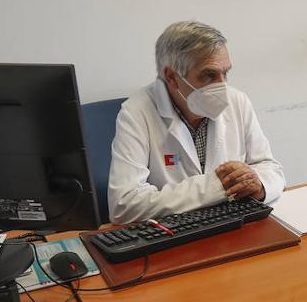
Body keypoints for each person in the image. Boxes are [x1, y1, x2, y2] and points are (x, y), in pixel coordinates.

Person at [107, 21, 285, 224]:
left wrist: (259, 184)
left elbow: (269, 167)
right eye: (209, 75)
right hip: (174, 235)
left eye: (225, 73)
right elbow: (123, 205)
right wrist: (216, 186)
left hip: (234, 224)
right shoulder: (137, 112)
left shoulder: (237, 101)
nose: (222, 86)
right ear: (172, 77)